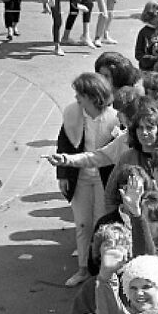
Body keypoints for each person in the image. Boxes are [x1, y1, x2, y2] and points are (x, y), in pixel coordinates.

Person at [54, 72, 118, 287]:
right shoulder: (73, 115)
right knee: (82, 224)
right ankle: (83, 269)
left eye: (80, 94)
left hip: (104, 179)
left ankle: (100, 271)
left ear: (93, 96)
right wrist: (62, 174)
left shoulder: (115, 118)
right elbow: (63, 143)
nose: (77, 99)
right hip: (80, 177)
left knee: (102, 224)